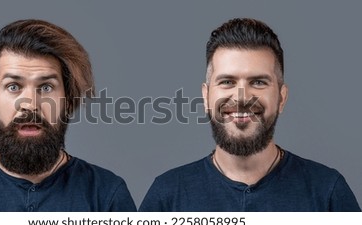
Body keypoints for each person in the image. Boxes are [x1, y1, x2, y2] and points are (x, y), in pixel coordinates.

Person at [139, 18, 361, 212]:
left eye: (258, 82)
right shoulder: (167, 196)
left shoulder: (327, 192)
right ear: (206, 97)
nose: (242, 97)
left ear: (281, 98)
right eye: (227, 82)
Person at [0, 19, 136, 212]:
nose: (30, 104)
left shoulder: (107, 195)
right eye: (13, 86)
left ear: (68, 101)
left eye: (46, 87)